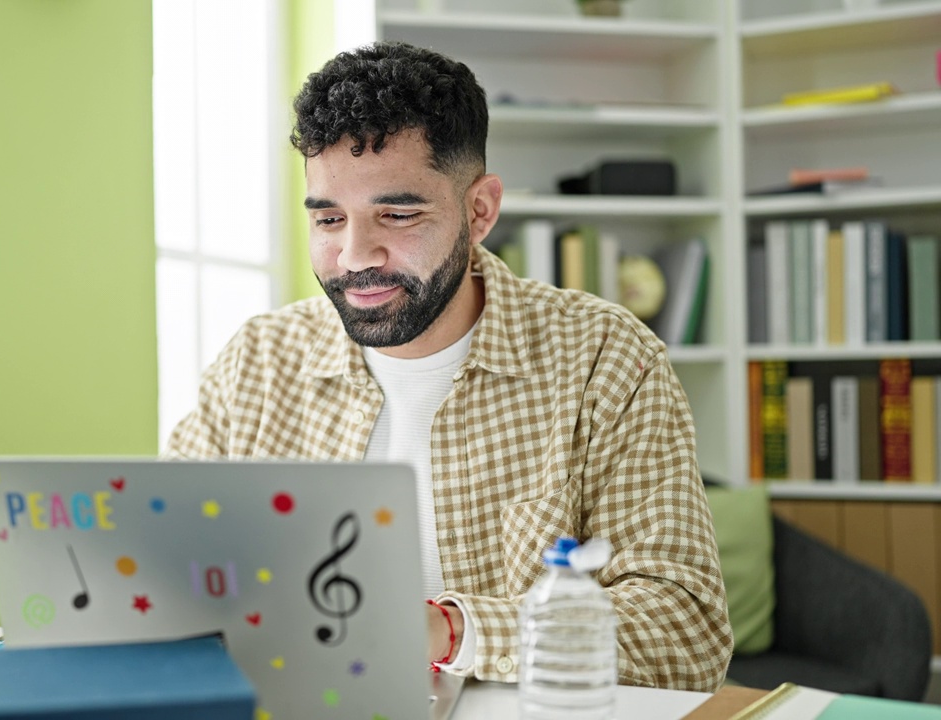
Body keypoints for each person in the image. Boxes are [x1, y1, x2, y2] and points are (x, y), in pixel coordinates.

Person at [164, 41, 731, 691]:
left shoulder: (605, 359)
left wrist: (445, 630)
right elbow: (169, 564)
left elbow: (686, 632)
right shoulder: (257, 363)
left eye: (397, 214)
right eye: (327, 218)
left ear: (480, 210)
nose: (354, 257)